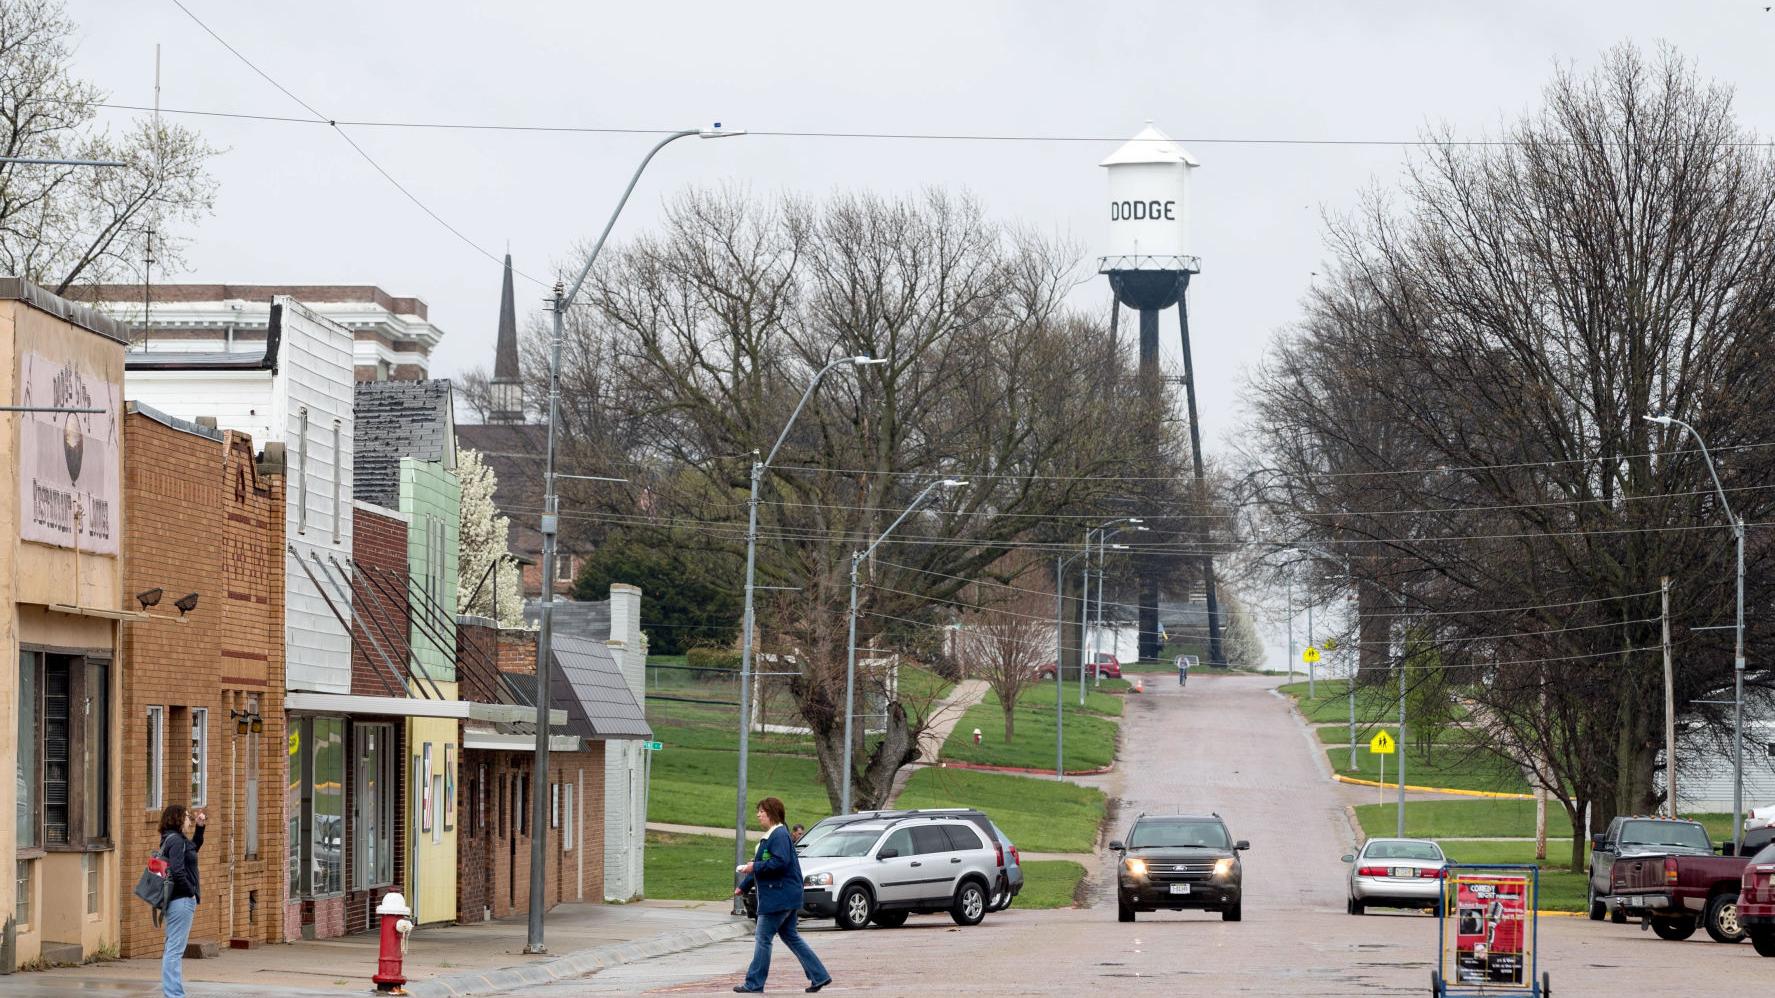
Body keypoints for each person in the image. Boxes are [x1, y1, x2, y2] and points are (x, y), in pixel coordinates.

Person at [734, 797, 830, 994]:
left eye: (762, 811)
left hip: (778, 897)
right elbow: (762, 864)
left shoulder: (778, 835)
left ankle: (754, 983)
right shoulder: (775, 835)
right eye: (758, 811)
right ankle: (819, 976)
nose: (758, 815)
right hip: (785, 896)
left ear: (772, 813)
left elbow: (780, 862)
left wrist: (754, 866)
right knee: (791, 936)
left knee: (763, 938)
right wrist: (744, 886)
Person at [159, 803, 206, 998]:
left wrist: (200, 828)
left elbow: (192, 850)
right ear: (178, 819)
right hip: (182, 900)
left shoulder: (172, 839)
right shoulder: (177, 841)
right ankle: (174, 994)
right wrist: (190, 892)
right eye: (187, 817)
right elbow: (178, 871)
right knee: (175, 950)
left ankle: (172, 992)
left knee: (173, 948)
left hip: (177, 901)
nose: (189, 820)